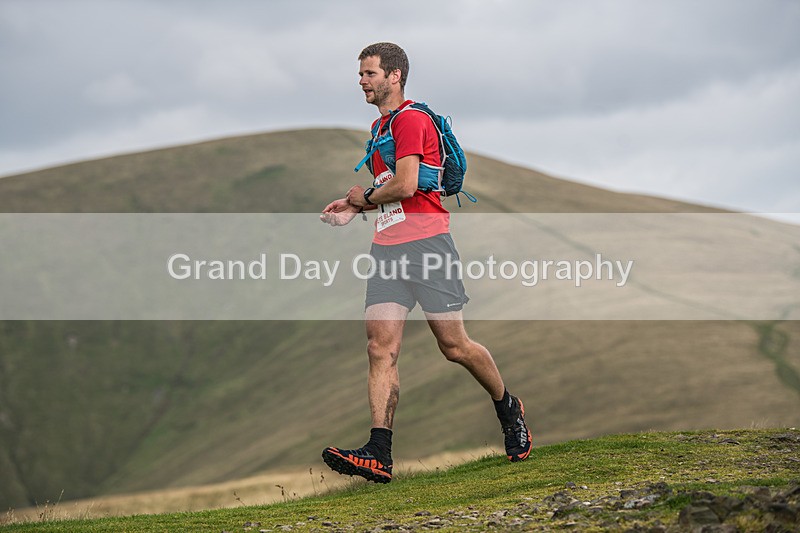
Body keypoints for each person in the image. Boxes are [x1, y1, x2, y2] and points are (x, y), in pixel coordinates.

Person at [319, 42, 531, 484]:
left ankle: (508, 407)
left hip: (428, 247)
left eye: (369, 73)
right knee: (380, 347)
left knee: (455, 347)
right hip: (388, 250)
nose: (362, 80)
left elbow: (408, 184)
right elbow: (391, 189)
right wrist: (357, 206)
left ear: (395, 76)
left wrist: (366, 197)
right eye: (360, 74)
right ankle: (379, 451)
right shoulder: (380, 128)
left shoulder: (411, 120)